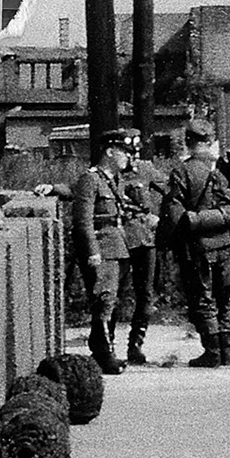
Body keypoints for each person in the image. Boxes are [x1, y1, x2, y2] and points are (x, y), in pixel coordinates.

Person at [162, 119, 230, 368]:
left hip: (199, 247)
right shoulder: (228, 168)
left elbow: (175, 213)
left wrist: (174, 243)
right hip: (228, 244)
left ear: (189, 142)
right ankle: (227, 351)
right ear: (210, 141)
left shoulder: (183, 171)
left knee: (203, 297)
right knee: (227, 297)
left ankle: (212, 352)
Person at [71, 132, 133, 374]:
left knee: (112, 300)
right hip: (103, 247)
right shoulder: (91, 179)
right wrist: (92, 251)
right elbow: (83, 221)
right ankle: (103, 353)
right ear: (109, 152)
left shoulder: (112, 180)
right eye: (123, 151)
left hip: (118, 246)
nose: (128, 157)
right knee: (104, 300)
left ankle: (107, 350)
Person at [117, 132, 168, 365]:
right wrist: (54, 187)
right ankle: (107, 344)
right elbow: (80, 187)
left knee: (145, 293)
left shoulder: (146, 170)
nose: (131, 158)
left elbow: (174, 191)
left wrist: (162, 219)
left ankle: (135, 344)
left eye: (133, 153)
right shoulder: (109, 172)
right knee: (113, 293)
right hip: (119, 239)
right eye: (127, 153)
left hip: (145, 239)